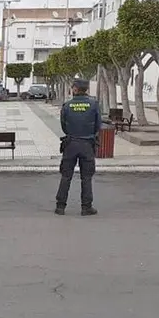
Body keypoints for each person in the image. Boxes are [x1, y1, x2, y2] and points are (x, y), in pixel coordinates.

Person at [55, 78, 102, 216]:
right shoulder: (94, 105)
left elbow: (63, 126)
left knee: (66, 176)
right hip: (87, 144)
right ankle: (86, 207)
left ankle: (60, 206)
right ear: (86, 89)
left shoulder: (67, 106)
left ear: (75, 89)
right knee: (86, 178)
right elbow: (98, 125)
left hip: (71, 144)